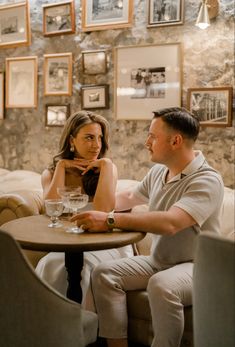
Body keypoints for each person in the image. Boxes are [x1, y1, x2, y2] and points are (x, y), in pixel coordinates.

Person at [72, 107, 224, 347]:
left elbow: (171, 222)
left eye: (153, 135)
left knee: (162, 284)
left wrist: (111, 220)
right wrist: (104, 173)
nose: (147, 142)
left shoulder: (207, 180)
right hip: (160, 260)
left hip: (198, 267)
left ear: (175, 141)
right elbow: (126, 199)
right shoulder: (158, 172)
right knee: (103, 273)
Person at [36, 110, 133, 308]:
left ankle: (85, 329)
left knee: (83, 268)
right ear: (72, 140)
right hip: (69, 243)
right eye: (89, 138)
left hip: (106, 243)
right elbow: (51, 209)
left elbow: (103, 210)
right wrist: (62, 167)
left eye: (100, 138)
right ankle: (52, 328)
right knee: (50, 264)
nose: (96, 145)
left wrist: (106, 165)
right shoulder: (52, 172)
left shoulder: (107, 169)